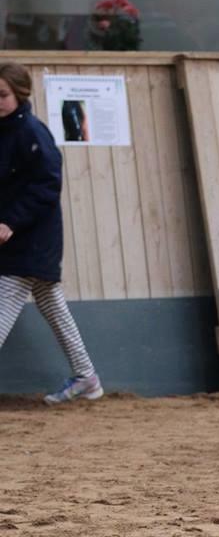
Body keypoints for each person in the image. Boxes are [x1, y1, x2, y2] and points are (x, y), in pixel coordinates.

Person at [0, 62, 103, 404]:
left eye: (2, 95)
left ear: (20, 94)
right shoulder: (6, 130)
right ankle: (87, 378)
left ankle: (87, 378)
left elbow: (47, 185)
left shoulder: (32, 132)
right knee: (53, 305)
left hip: (30, 241)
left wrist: (10, 222)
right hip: (18, 238)